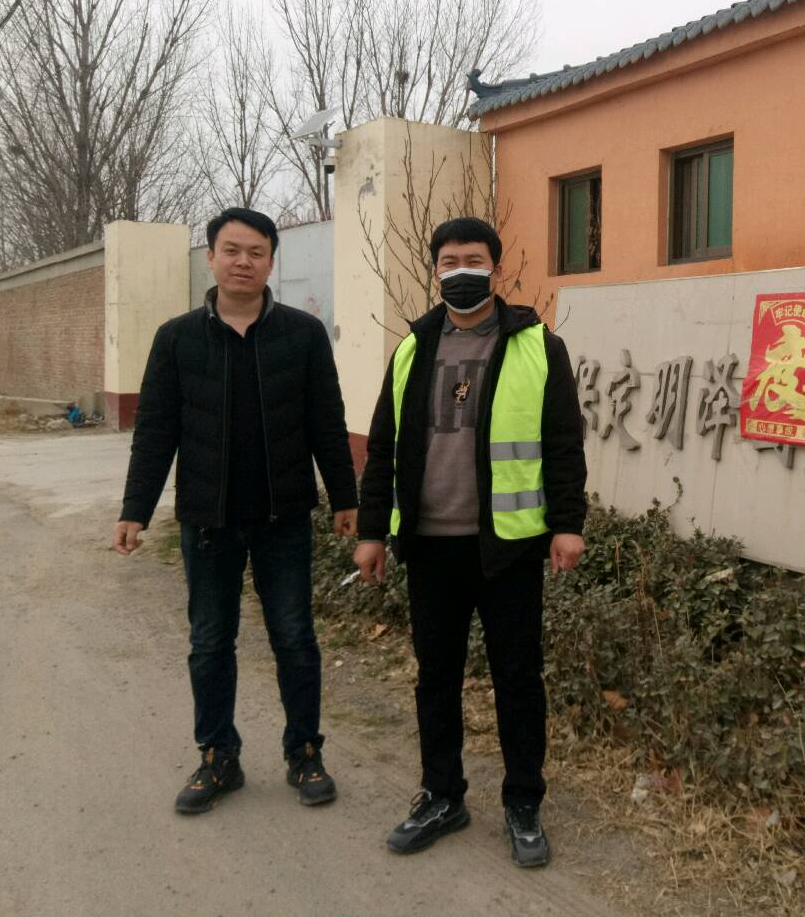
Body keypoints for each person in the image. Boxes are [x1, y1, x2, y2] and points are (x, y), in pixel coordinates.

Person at [353, 216, 587, 868]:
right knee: (437, 678)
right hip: (430, 547)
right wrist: (372, 532)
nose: (462, 272)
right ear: (435, 271)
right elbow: (383, 447)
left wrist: (568, 523)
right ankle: (442, 795)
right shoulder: (412, 348)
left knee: (517, 678)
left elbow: (563, 443)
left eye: (474, 261)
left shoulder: (537, 346)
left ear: (496, 269)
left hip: (507, 547)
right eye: (449, 262)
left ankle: (523, 802)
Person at [113, 207, 358, 815]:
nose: (242, 262)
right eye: (231, 250)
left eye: (255, 252)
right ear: (212, 257)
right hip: (208, 521)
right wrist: (135, 508)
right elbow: (155, 431)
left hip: (284, 519)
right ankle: (218, 756)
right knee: (209, 643)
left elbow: (327, 423)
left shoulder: (303, 334)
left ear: (271, 261)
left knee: (295, 638)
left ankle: (304, 751)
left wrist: (345, 498)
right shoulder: (177, 338)